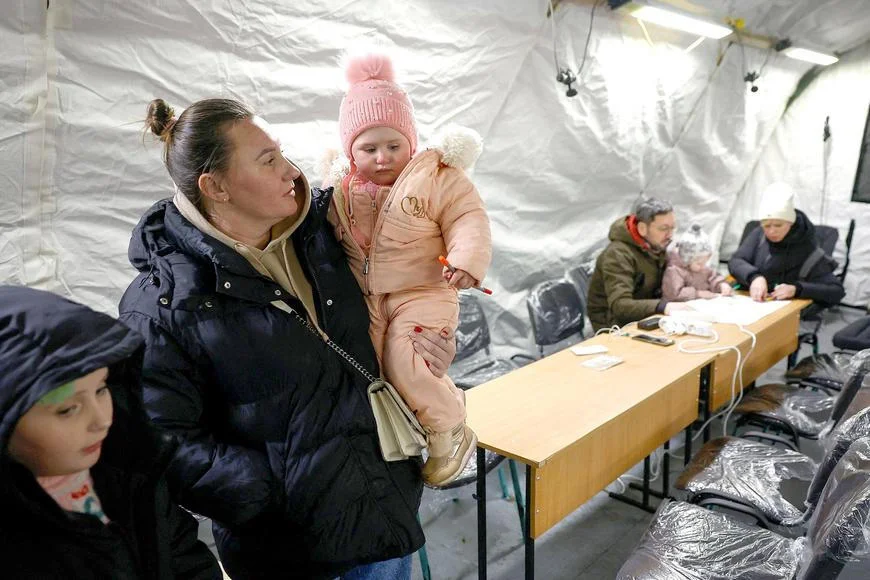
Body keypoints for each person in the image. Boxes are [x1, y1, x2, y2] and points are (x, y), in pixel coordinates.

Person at [120, 97, 457, 580]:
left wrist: (428, 348)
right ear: (215, 187)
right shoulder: (164, 304)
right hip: (289, 548)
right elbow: (162, 439)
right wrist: (269, 490)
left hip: (382, 510)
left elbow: (403, 300)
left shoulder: (330, 232)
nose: (290, 171)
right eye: (268, 160)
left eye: (281, 152)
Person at [324, 52, 491, 486]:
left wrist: (464, 261)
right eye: (368, 148)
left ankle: (448, 427)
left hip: (425, 291)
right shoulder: (340, 191)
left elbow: (468, 217)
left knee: (406, 358)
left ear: (411, 142)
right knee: (377, 368)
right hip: (371, 298)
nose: (382, 158)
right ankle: (425, 423)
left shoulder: (436, 176)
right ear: (349, 149)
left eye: (393, 145)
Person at [0, 286, 220, 580]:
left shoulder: (129, 473)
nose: (102, 420)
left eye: (102, 389)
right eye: (67, 409)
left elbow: (187, 561)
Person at [729, 182, 845, 305]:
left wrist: (797, 289)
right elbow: (736, 261)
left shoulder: (808, 246)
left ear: (791, 222)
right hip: (752, 301)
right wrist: (755, 277)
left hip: (786, 310)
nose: (772, 231)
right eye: (766, 226)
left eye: (778, 225)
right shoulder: (759, 235)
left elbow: (836, 290)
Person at [587, 197, 690, 331]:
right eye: (664, 229)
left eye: (672, 228)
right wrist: (663, 306)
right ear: (642, 228)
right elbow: (620, 305)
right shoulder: (617, 255)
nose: (669, 235)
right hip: (614, 327)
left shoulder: (656, 245)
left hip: (646, 317)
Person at [662, 224, 734, 301]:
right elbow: (673, 294)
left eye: (705, 262)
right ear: (687, 260)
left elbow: (713, 277)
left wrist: (722, 285)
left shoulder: (703, 269)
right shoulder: (674, 271)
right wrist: (697, 294)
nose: (703, 266)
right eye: (699, 263)